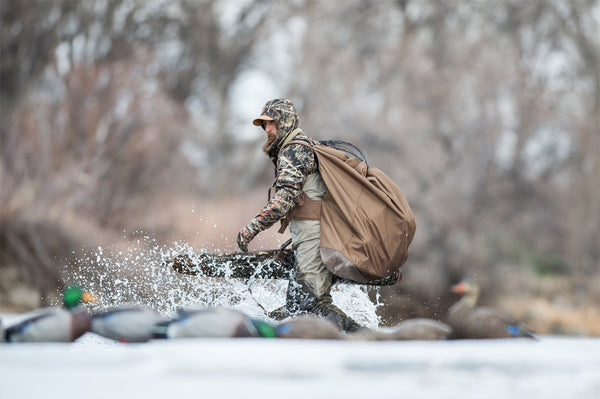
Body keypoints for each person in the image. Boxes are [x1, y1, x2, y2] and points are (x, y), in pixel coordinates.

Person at [236, 98, 362, 332]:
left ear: (286, 121)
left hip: (314, 236)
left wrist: (251, 229)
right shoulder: (301, 145)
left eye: (272, 123)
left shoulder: (293, 150)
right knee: (296, 307)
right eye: (264, 125)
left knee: (314, 304)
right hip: (310, 234)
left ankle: (365, 338)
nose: (268, 129)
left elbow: (286, 198)